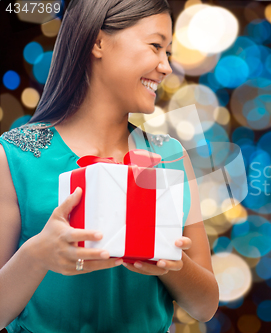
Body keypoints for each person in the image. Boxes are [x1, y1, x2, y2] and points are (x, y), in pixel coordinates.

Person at [0, 0, 219, 332]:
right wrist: (38, 254)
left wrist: (173, 263)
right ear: (98, 42)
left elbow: (206, 306)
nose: (166, 66)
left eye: (169, 53)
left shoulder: (170, 158)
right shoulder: (16, 156)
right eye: (156, 46)